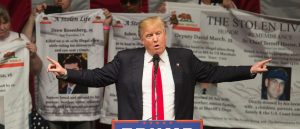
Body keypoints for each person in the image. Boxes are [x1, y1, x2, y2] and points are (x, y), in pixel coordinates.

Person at [47, 16, 271, 120]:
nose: (155, 39)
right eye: (149, 35)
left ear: (165, 34)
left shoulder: (184, 57)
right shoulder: (126, 59)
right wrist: (67, 72)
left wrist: (249, 69)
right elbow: (97, 76)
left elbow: (214, 73)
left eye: (159, 33)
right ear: (142, 39)